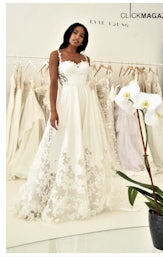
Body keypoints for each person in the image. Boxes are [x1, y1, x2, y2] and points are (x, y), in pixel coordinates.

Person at [14, 23, 113, 223]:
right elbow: (53, 83)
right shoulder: (56, 55)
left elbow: (87, 83)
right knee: (60, 144)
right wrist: (53, 109)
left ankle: (83, 191)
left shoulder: (86, 59)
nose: (78, 37)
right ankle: (49, 190)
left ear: (84, 40)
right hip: (67, 103)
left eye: (82, 35)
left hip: (87, 105)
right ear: (69, 34)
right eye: (75, 33)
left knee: (84, 144)